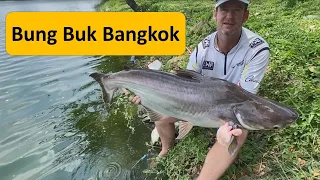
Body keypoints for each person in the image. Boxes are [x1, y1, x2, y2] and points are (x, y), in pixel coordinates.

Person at [128, 0, 270, 179]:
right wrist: (150, 95)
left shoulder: (257, 49)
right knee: (160, 114)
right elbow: (185, 83)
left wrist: (226, 122)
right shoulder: (202, 48)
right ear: (215, 14)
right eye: (224, 9)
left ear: (246, 16)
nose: (230, 16)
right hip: (198, 103)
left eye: (237, 10)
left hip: (231, 106)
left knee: (238, 131)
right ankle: (165, 150)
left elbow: (246, 97)